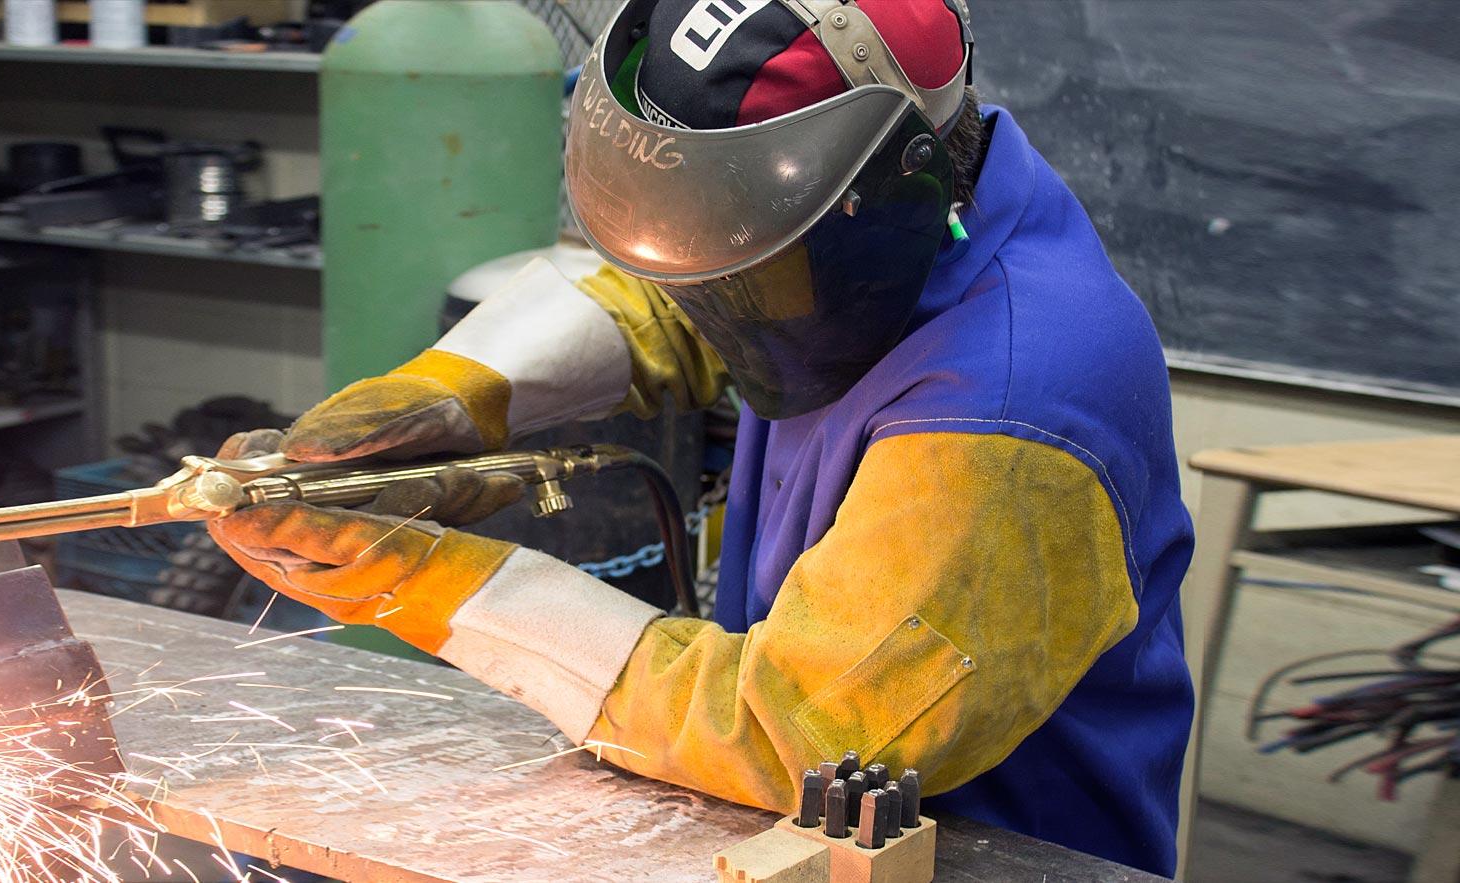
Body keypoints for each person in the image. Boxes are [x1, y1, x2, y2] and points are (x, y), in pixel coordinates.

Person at [208, 0, 1194, 874]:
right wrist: (455, 394)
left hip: (981, 851)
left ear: (887, 186)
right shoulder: (879, 222)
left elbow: (793, 726)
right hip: (784, 833)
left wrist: (426, 581)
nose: (714, 288)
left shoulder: (1014, 408)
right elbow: (680, 290)